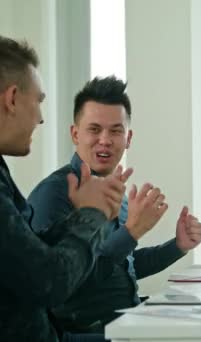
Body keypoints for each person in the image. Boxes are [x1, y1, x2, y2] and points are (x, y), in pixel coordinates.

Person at [28, 76, 201, 334]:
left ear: (128, 138)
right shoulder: (53, 194)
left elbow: (122, 267)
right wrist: (131, 232)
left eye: (115, 131)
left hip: (127, 324)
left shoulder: (114, 191)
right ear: (75, 134)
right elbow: (64, 284)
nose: (105, 140)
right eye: (94, 129)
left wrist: (177, 246)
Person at [0, 36, 131, 342]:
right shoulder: (54, 191)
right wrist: (93, 215)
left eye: (116, 131)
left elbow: (32, 256)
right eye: (39, 100)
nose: (41, 117)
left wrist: (86, 215)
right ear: (12, 98)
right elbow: (50, 282)